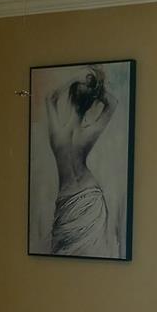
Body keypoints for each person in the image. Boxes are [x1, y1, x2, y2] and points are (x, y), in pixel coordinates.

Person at [45, 66, 118, 256]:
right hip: (89, 195)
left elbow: (50, 98)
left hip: (67, 198)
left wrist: (72, 81)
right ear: (88, 106)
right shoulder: (87, 134)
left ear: (69, 99)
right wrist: (96, 90)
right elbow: (112, 103)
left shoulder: (57, 136)